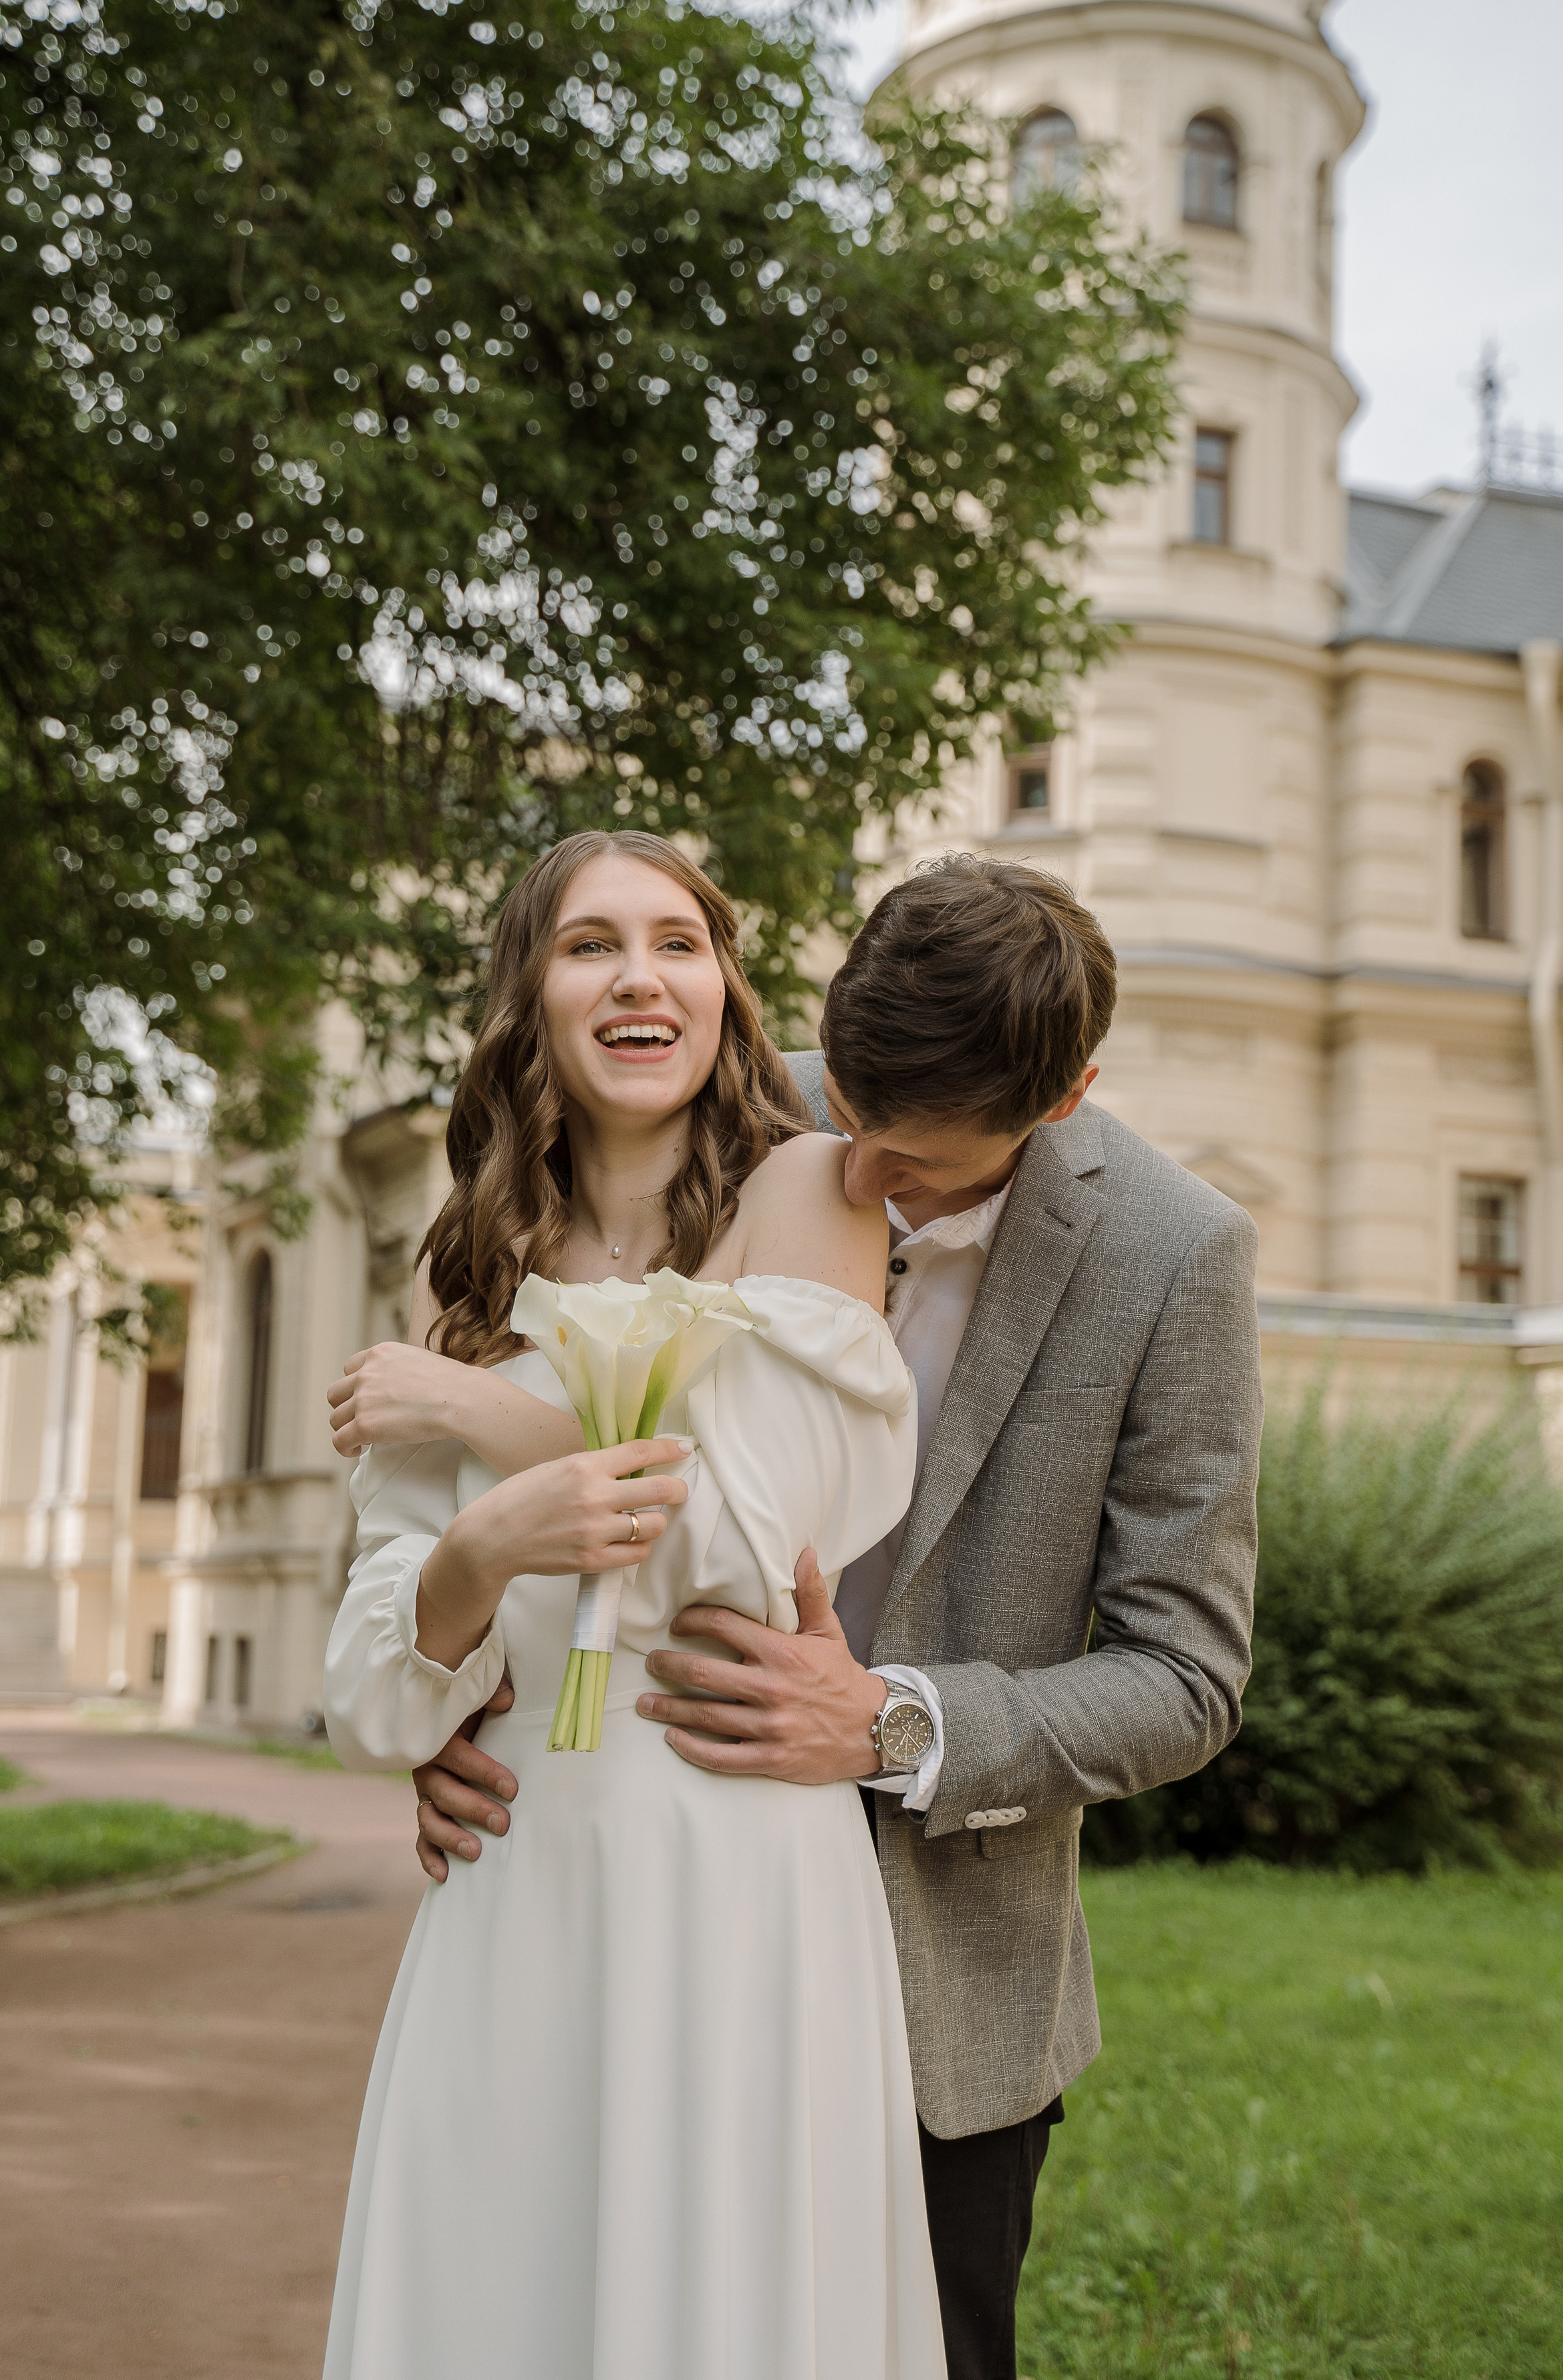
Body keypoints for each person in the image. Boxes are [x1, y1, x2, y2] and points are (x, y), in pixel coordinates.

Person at [392, 857, 1262, 2380]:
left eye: (912, 1162)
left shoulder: (1172, 1255)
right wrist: (455, 1698)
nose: (857, 1175)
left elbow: (1182, 1675)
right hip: (624, 1912)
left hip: (938, 1982)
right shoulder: (723, 1116)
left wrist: (888, 1722)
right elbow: (534, 1441)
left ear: (1062, 1104)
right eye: (845, 1111)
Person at [318, 829, 948, 2379]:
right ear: (530, 996)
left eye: (678, 941)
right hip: (518, 1866)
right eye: (589, 943)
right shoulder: (460, 1270)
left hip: (732, 1856)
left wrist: (486, 1429)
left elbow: (740, 1547)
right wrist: (471, 1565)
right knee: (500, 2298)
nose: (638, 975)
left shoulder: (808, 1192)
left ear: (725, 990)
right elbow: (376, 1693)